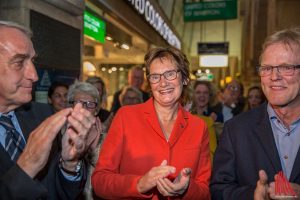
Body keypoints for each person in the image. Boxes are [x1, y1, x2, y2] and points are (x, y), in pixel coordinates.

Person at [92, 47, 211, 199]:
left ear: (185, 78)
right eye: (155, 77)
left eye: (170, 74)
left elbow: (205, 191)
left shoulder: (198, 127)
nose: (163, 83)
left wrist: (187, 188)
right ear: (149, 83)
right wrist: (139, 184)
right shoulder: (126, 117)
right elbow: (100, 181)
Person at [0, 21, 97, 199]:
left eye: (32, 61)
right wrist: (27, 167)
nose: (34, 75)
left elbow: (61, 193)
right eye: (19, 62)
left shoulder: (42, 115)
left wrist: (69, 163)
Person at [210, 27, 300, 200]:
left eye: (286, 67)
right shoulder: (236, 130)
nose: (274, 76)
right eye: (266, 68)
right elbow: (219, 189)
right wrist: (253, 195)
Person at [66, 81, 102, 200]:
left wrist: (93, 150)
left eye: (90, 104)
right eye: (79, 103)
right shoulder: (58, 137)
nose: (84, 108)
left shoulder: (108, 138)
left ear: (96, 110)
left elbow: (110, 176)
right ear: (69, 107)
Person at [190, 80, 218, 160]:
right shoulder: (186, 115)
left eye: (205, 93)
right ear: (193, 95)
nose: (202, 95)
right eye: (198, 92)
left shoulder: (217, 115)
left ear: (210, 96)